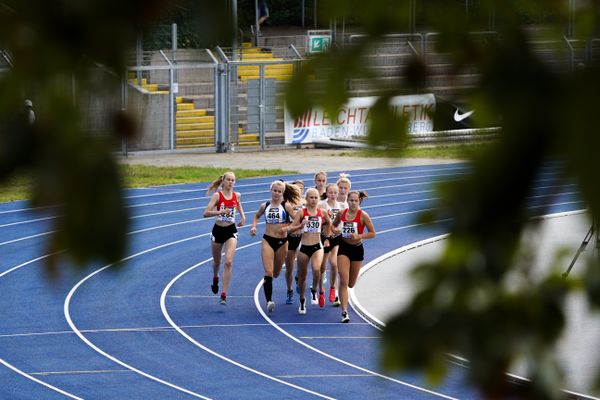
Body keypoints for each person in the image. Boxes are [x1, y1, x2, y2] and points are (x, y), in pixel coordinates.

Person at [250, 181, 300, 313]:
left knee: (276, 273)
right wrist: (254, 226)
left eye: (279, 191)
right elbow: (256, 216)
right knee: (269, 272)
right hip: (267, 240)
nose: (277, 193)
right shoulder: (265, 205)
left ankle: (271, 290)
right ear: (270, 190)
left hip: (282, 242)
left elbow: (297, 220)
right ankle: (269, 301)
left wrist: (288, 228)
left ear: (283, 193)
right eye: (275, 190)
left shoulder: (286, 206)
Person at [281, 188, 332, 315]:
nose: (314, 200)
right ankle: (302, 300)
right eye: (311, 197)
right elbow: (292, 228)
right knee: (302, 277)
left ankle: (314, 290)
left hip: (317, 246)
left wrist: (327, 238)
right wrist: (300, 225)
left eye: (316, 198)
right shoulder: (301, 212)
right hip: (303, 246)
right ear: (306, 199)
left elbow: (329, 224)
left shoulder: (322, 212)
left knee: (316, 269)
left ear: (318, 199)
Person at [203, 172, 246, 305]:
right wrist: (219, 212)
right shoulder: (218, 195)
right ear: (223, 180)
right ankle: (216, 276)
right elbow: (205, 213)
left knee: (228, 262)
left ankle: (223, 294)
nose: (230, 182)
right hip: (218, 230)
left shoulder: (237, 195)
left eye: (233, 180)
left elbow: (238, 205)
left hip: (231, 230)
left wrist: (243, 218)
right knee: (217, 262)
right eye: (228, 180)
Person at [332, 190, 375, 323]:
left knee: (351, 283)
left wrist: (359, 236)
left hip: (357, 250)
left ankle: (345, 303)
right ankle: (344, 312)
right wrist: (336, 230)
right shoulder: (341, 213)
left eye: (356, 201)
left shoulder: (363, 215)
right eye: (351, 200)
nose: (353, 203)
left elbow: (373, 233)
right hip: (344, 248)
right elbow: (333, 226)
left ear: (359, 202)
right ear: (347, 201)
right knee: (343, 281)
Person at [318, 184, 343, 307]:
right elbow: (316, 218)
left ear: (338, 194)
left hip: (336, 238)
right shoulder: (321, 205)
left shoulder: (342, 206)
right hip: (324, 238)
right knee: (322, 267)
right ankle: (321, 291)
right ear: (326, 193)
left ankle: (333, 288)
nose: (333, 195)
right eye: (331, 192)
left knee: (334, 264)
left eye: (335, 193)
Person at [284, 179, 305, 305]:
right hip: (291, 236)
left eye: (301, 189)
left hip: (304, 236)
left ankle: (298, 277)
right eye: (296, 188)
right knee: (289, 267)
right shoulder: (286, 203)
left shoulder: (307, 202)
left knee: (302, 263)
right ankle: (289, 289)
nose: (299, 190)